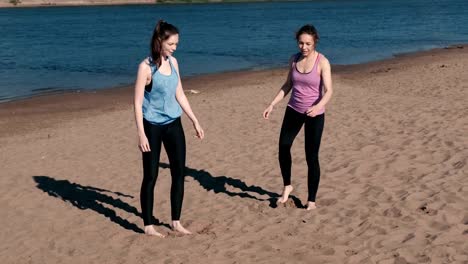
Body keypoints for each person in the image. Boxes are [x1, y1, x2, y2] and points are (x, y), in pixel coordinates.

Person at [134, 20, 204, 237]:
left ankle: (176, 222)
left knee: (179, 173)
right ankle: (148, 226)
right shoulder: (145, 67)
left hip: (174, 124)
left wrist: (194, 120)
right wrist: (141, 133)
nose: (175, 47)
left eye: (176, 43)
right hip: (152, 126)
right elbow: (136, 102)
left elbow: (180, 93)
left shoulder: (174, 62)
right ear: (160, 42)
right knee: (151, 176)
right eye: (172, 43)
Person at [263, 24, 333, 211]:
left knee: (311, 156)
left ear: (314, 42)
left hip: (314, 114)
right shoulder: (293, 60)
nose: (304, 47)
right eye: (301, 43)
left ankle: (311, 201)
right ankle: (287, 186)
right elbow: (287, 85)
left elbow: (329, 91)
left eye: (308, 43)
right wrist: (272, 104)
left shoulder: (323, 62)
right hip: (293, 109)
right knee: (283, 146)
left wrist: (318, 106)